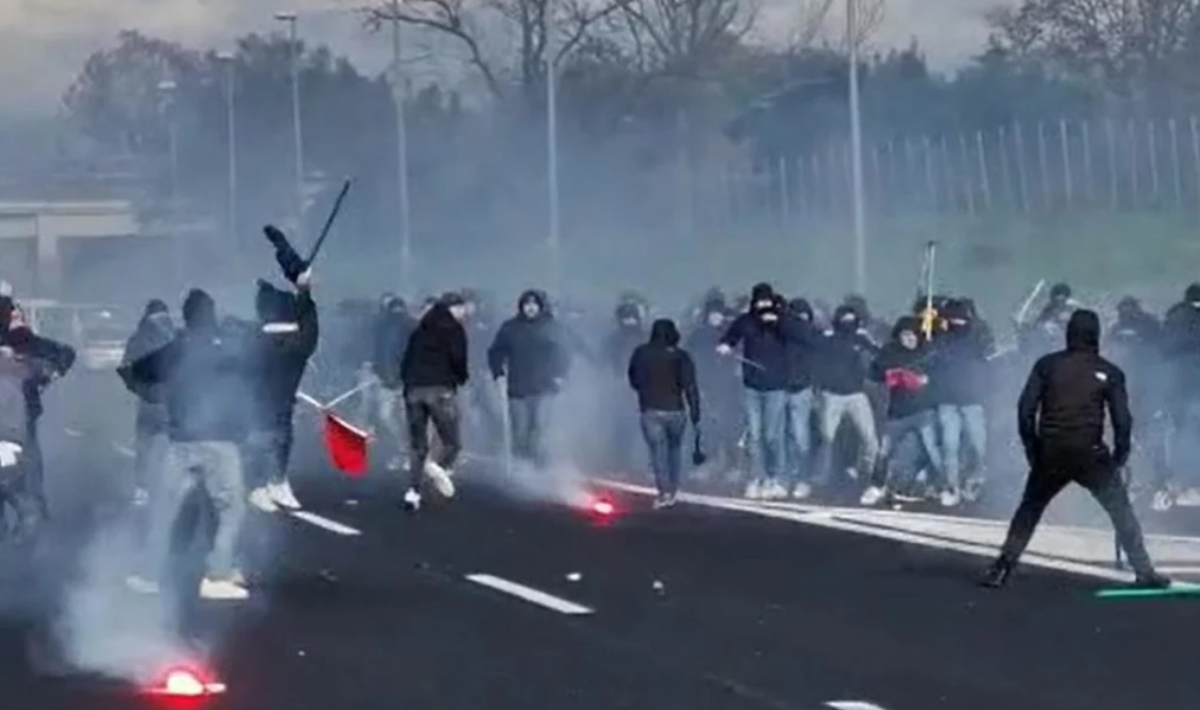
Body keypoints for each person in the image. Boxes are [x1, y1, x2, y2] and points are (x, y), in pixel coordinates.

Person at [980, 309, 1169, 589]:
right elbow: (1122, 420)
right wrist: (1120, 456)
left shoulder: (1048, 365)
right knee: (1121, 512)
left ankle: (1002, 568)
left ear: (1068, 334)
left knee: (1030, 509)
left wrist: (1033, 448)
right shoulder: (1110, 371)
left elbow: (1025, 410)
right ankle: (1144, 571)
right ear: (1097, 335)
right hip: (1090, 454)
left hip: (1051, 451)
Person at [125, 289, 252, 600]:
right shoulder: (224, 347)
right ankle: (218, 574)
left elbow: (135, 373)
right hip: (219, 441)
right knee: (232, 509)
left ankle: (148, 575)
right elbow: (252, 373)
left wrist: (158, 395)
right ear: (211, 315)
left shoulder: (176, 348)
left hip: (180, 440)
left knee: (164, 511)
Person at [400, 292, 469, 511]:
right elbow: (458, 359)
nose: (464, 313)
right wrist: (460, 378)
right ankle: (436, 467)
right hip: (441, 389)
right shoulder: (454, 330)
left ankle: (413, 492)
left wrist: (408, 386)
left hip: (414, 391)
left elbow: (406, 360)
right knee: (452, 442)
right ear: (452, 308)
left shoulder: (419, 330)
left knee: (418, 445)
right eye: (461, 308)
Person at [627, 319, 701, 509]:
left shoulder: (641, 353)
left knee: (657, 452)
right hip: (676, 410)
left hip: (651, 409)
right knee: (674, 450)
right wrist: (695, 412)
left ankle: (664, 491)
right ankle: (674, 488)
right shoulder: (682, 356)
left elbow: (634, 380)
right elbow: (690, 386)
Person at [117, 299, 176, 509]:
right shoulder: (174, 336)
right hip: (171, 404)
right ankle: (173, 489)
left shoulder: (137, 338)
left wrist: (140, 390)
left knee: (144, 447)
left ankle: (142, 489)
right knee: (176, 447)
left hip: (148, 404)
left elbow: (126, 369)